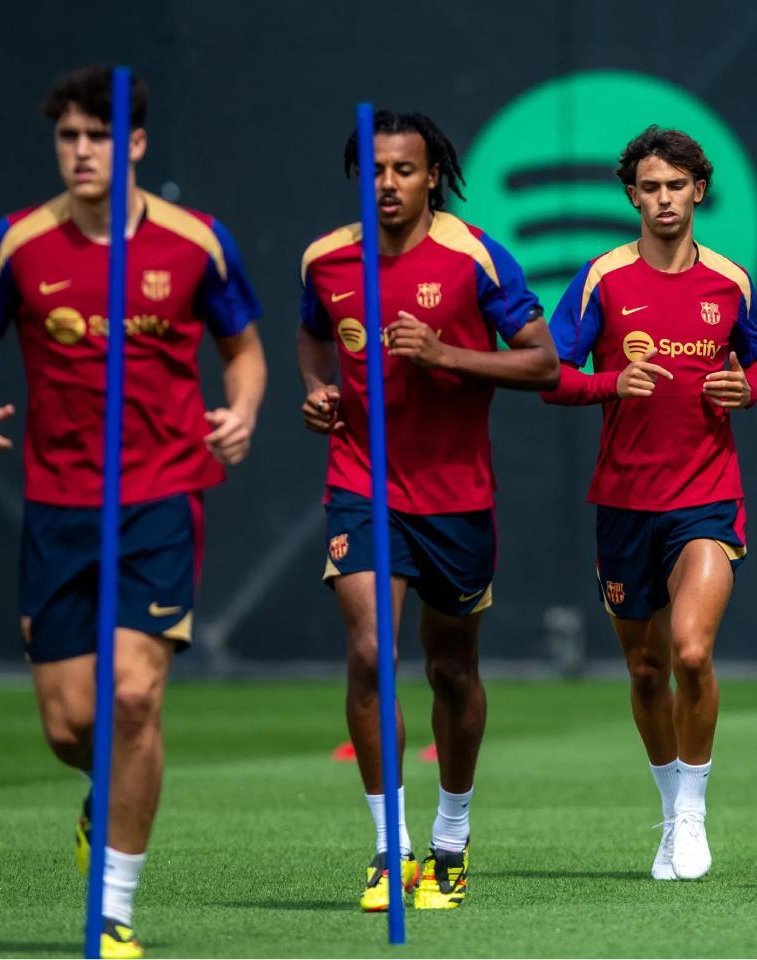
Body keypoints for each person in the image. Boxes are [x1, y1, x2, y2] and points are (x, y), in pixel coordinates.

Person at [0, 64, 265, 958]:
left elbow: (245, 352)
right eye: (67, 138)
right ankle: (106, 795)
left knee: (133, 696)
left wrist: (239, 414)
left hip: (162, 494)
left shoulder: (194, 240)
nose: (80, 152)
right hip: (57, 504)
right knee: (69, 725)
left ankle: (114, 909)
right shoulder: (18, 242)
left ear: (133, 145)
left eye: (96, 136)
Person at [298, 109, 557, 911]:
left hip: (455, 495)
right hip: (363, 483)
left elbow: (543, 362)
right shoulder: (327, 260)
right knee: (373, 651)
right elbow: (315, 335)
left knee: (451, 669)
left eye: (403, 170)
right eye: (374, 170)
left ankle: (450, 835)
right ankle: (388, 849)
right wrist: (317, 388)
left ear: (432, 175)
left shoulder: (475, 256)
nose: (387, 184)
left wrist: (445, 354)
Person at [541, 125, 757, 881]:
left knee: (692, 652)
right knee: (645, 671)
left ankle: (693, 817)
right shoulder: (603, 279)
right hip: (624, 501)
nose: (664, 199)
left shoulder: (729, 281)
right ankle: (668, 810)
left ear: (698, 191)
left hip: (706, 496)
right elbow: (551, 372)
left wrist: (748, 386)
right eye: (650, 187)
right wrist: (610, 383)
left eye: (677, 185)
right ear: (632, 195)